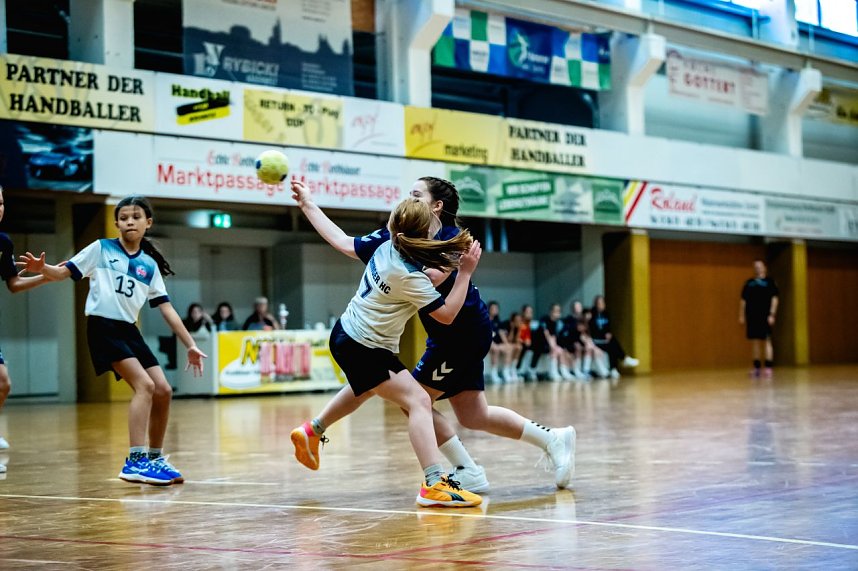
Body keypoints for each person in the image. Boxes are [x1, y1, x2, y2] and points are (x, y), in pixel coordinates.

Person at [291, 176, 576, 493]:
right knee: (471, 413)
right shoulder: (402, 239)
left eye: (416, 194)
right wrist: (308, 203)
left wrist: (456, 268)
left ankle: (461, 470)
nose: (409, 199)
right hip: (444, 334)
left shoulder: (440, 241)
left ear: (436, 206)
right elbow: (346, 243)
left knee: (414, 401)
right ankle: (553, 439)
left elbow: (432, 284)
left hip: (459, 336)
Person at [288, 179, 483, 507]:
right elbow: (447, 315)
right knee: (419, 401)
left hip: (348, 334)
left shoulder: (384, 241)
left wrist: (308, 204)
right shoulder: (409, 275)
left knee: (366, 388)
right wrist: (464, 274)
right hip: (364, 346)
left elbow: (340, 240)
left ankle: (313, 430)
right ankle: (433, 483)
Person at [18, 195, 206, 486]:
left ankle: (154, 458)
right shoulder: (101, 248)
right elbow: (61, 273)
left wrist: (190, 344)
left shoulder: (149, 265)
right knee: (145, 386)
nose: (129, 221)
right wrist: (42, 268)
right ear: (117, 222)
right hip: (103, 327)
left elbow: (167, 309)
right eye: (124, 217)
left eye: (136, 217)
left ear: (148, 223)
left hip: (130, 331)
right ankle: (134, 461)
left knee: (164, 390)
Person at [0, 185, 55, 473]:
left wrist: (46, 275)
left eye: (0, 202)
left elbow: (14, 285)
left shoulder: (3, 243)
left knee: (3, 383)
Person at [740, 260, 779, 379]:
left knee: (767, 340)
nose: (757, 268)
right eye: (755, 267)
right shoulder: (749, 283)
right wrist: (741, 315)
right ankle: (756, 368)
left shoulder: (770, 282)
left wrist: (772, 314)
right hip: (752, 316)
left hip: (765, 315)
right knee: (755, 342)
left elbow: (775, 299)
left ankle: (768, 368)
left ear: (764, 268)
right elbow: (743, 301)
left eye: (760, 266)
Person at [590, 295, 639, 379]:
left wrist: (609, 333)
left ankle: (614, 368)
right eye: (599, 303)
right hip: (596, 340)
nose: (601, 305)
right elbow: (592, 329)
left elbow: (608, 328)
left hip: (604, 340)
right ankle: (623, 359)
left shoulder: (606, 314)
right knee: (612, 343)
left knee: (612, 344)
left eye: (602, 303)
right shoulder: (591, 314)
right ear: (595, 304)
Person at [487, 301, 515, 383]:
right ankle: (493, 373)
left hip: (497, 343)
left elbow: (502, 334)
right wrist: (492, 343)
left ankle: (506, 372)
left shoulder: (498, 322)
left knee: (509, 348)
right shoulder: (484, 319)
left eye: (496, 308)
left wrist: (506, 344)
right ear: (488, 309)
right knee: (495, 349)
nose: (495, 310)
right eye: (493, 308)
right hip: (487, 342)